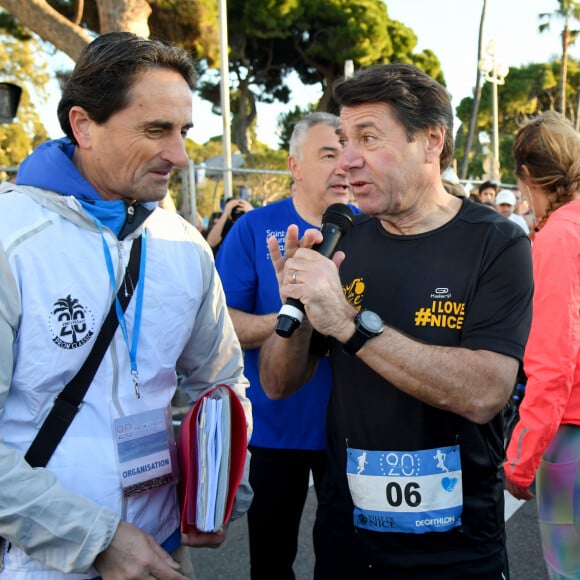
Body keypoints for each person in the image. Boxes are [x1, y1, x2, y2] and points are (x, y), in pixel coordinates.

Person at [259, 63, 533, 579]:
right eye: (344, 141)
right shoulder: (344, 240)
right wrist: (292, 307)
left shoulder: (497, 243)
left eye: (369, 138)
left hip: (457, 554)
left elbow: (485, 392)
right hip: (347, 549)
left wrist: (348, 323)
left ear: (431, 141)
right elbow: (277, 382)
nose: (348, 161)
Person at [0, 32, 252, 579]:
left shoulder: (184, 245)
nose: (181, 155)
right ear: (83, 125)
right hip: (39, 562)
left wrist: (221, 484)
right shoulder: (10, 241)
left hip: (160, 553)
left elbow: (222, 381)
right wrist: (98, 540)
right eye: (155, 130)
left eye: (183, 130)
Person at [215, 112, 353, 579]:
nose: (343, 165)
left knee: (348, 560)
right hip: (275, 432)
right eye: (328, 154)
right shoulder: (255, 229)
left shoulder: (374, 227)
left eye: (347, 152)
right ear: (294, 166)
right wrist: (294, 317)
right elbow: (221, 322)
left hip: (353, 433)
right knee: (272, 562)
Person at [504, 111, 580, 578]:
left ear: (529, 177)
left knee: (568, 570)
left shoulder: (558, 236)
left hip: (571, 435)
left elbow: (553, 361)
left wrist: (520, 459)